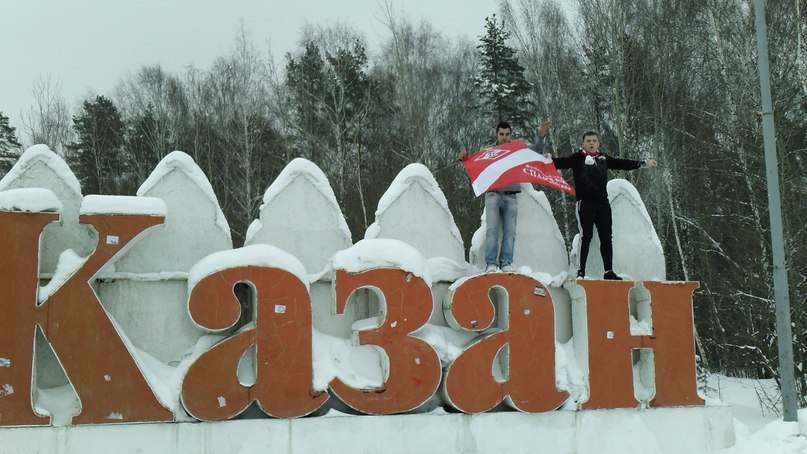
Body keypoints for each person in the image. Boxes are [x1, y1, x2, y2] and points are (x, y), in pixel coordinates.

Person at [547, 131, 657, 280]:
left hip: (602, 204)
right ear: (583, 144)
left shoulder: (603, 158)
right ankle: (581, 271)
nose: (591, 143)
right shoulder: (577, 158)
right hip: (585, 203)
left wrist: (643, 164)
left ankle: (608, 271)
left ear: (598, 143)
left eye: (594, 140)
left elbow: (622, 163)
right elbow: (560, 162)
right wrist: (547, 160)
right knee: (586, 236)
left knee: (606, 237)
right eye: (588, 141)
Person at [461, 120, 550, 273]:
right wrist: (465, 159)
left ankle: (506, 262)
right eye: (501, 134)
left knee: (510, 232)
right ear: (497, 134)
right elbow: (475, 163)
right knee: (492, 231)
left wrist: (541, 136)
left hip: (511, 195)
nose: (504, 137)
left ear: (510, 134)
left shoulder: (517, 150)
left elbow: (536, 151)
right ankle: (491, 264)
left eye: (507, 134)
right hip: (493, 195)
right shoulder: (489, 151)